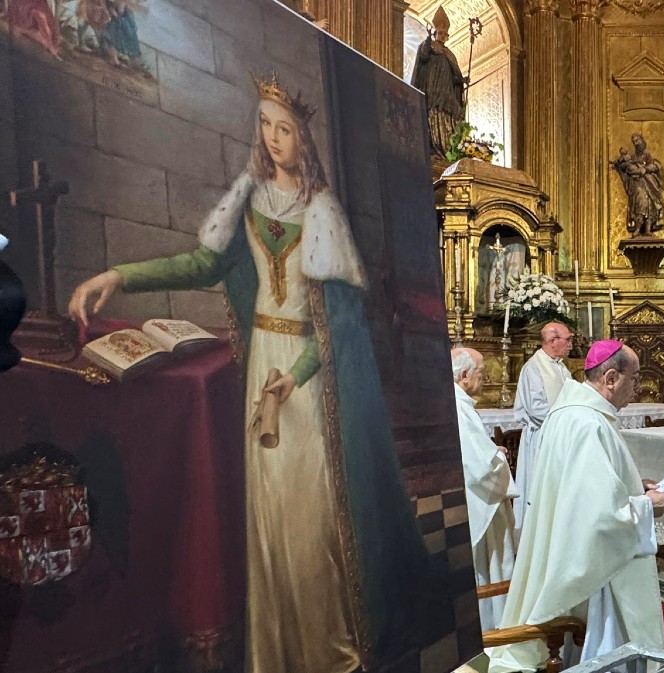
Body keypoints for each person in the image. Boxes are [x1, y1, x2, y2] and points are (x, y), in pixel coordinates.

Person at [67, 73, 437, 672]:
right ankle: (277, 655)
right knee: (269, 517)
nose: (271, 138)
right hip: (261, 361)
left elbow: (336, 329)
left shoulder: (323, 213)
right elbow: (198, 263)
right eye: (264, 125)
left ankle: (329, 653)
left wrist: (296, 376)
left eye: (284, 128)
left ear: (305, 140)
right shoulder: (246, 202)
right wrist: (120, 276)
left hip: (306, 384)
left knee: (310, 518)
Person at [487, 341, 664, 673]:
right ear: (611, 377)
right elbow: (598, 518)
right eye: (635, 378)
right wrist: (644, 507)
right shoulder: (588, 423)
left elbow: (585, 488)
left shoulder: (572, 413)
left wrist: (632, 488)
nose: (637, 387)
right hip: (603, 575)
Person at [452, 347, 518, 631]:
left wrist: (492, 451)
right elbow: (481, 469)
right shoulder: (458, 407)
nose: (486, 378)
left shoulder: (458, 403)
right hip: (482, 504)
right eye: (481, 372)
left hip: (472, 500)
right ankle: (495, 633)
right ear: (465, 375)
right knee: (490, 567)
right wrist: (500, 457)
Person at [511, 322, 573, 533]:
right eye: (568, 339)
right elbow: (536, 409)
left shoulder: (561, 367)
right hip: (542, 437)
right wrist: (565, 419)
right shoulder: (534, 368)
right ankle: (536, 532)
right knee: (539, 487)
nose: (571, 344)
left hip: (559, 435)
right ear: (553, 341)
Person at [411, 6, 465, 159]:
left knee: (448, 118)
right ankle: (434, 149)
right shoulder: (428, 45)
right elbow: (423, 56)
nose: (442, 36)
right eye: (440, 33)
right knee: (433, 116)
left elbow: (455, 76)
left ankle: (447, 151)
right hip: (433, 90)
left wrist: (460, 80)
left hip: (447, 94)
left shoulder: (450, 54)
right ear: (435, 33)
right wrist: (428, 40)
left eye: (445, 34)